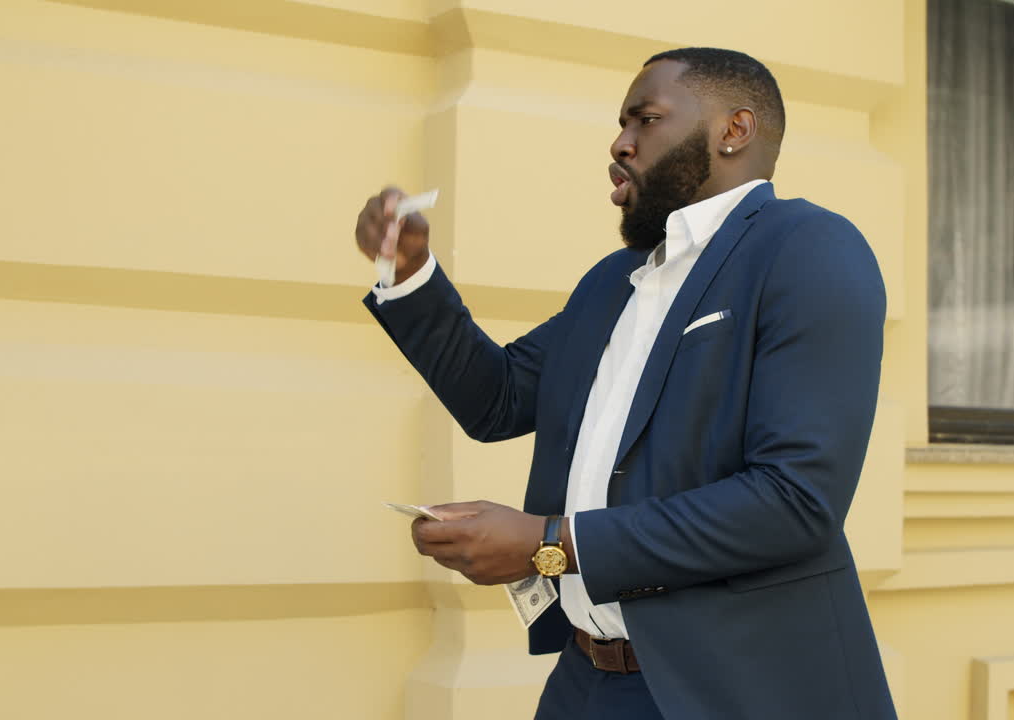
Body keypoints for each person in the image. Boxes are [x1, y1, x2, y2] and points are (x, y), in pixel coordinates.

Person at [355, 47, 897, 720]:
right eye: (622, 123)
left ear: (734, 130)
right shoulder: (613, 281)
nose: (620, 142)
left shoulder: (809, 248)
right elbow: (496, 399)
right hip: (586, 677)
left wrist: (547, 543)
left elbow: (794, 503)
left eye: (645, 119)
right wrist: (409, 274)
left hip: (733, 689)